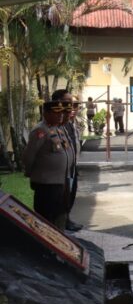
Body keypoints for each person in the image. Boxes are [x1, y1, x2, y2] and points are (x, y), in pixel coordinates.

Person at [22, 98, 74, 229]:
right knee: (46, 217)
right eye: (57, 113)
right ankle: (47, 245)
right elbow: (29, 155)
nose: (60, 115)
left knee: (59, 213)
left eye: (61, 113)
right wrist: (30, 172)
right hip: (46, 183)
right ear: (46, 114)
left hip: (60, 181)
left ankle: (59, 242)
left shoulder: (58, 129)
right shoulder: (40, 131)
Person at [50, 89, 83, 232]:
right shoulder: (55, 124)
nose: (73, 108)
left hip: (71, 167)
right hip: (59, 171)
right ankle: (59, 227)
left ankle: (66, 220)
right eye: (69, 104)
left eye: (75, 105)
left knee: (70, 195)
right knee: (61, 199)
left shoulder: (70, 122)